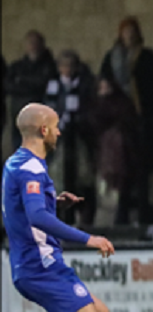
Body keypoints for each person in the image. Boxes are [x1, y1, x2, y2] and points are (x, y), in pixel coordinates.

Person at [2, 103, 122, 312]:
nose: (58, 132)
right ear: (43, 130)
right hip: (39, 266)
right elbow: (36, 217)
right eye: (55, 126)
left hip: (37, 264)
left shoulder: (16, 163)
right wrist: (88, 238)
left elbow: (26, 210)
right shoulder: (31, 168)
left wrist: (55, 203)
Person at [99, 16, 153, 225]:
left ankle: (148, 218)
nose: (128, 35)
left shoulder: (147, 58)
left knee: (144, 174)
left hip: (142, 125)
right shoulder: (111, 59)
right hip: (120, 127)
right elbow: (103, 91)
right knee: (123, 173)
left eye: (132, 31)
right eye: (125, 31)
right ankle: (122, 218)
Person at [44, 50, 97, 226]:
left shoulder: (84, 85)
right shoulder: (53, 85)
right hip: (59, 139)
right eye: (64, 65)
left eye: (70, 65)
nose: (67, 69)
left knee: (82, 178)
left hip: (79, 138)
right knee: (58, 177)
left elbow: (88, 108)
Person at [91, 78, 142, 225]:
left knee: (119, 192)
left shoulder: (122, 105)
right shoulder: (94, 106)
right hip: (99, 157)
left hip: (120, 159)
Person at [5, 31, 57, 148]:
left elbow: (42, 84)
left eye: (36, 43)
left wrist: (21, 81)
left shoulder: (50, 66)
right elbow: (8, 85)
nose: (33, 46)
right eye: (30, 43)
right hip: (19, 114)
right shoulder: (17, 66)